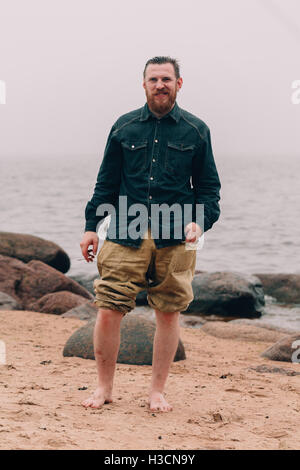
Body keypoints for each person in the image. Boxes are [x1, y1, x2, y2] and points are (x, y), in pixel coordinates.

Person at [80, 56, 221, 412]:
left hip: (176, 239)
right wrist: (89, 227)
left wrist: (199, 221)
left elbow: (208, 190)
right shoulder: (124, 127)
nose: (161, 84)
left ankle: (157, 391)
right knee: (109, 308)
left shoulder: (196, 130)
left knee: (169, 313)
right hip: (125, 232)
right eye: (154, 79)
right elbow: (105, 184)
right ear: (143, 84)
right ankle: (104, 388)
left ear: (179, 83)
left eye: (167, 79)